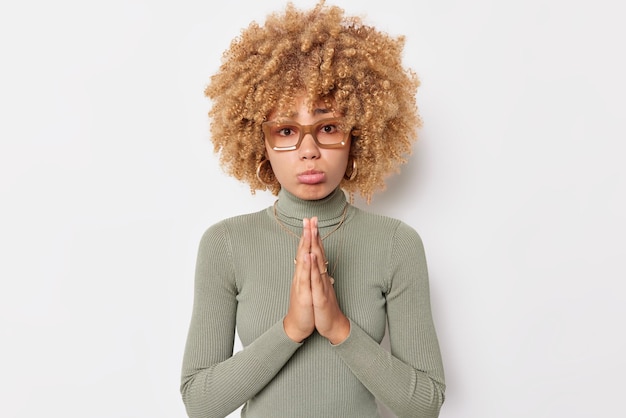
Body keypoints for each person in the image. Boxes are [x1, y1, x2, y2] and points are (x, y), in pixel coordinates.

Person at [180, 1, 445, 417]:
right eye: (286, 130)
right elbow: (200, 402)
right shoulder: (225, 244)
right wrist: (292, 329)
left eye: (328, 128)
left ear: (358, 135)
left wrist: (339, 328)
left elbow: (425, 405)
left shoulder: (396, 244)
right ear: (260, 143)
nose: (308, 150)